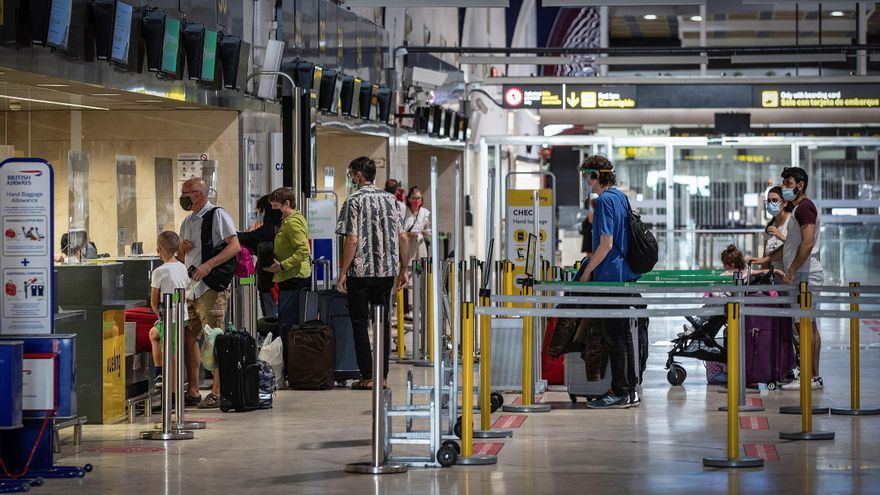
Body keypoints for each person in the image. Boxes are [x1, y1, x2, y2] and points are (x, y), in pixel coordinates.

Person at [337, 157, 409, 390]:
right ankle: (383, 376)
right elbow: (403, 237)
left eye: (351, 175)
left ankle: (368, 376)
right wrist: (404, 268)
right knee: (383, 323)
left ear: (359, 175)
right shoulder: (392, 200)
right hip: (387, 272)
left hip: (360, 272)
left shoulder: (353, 200)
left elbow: (352, 239)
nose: (351, 179)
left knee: (360, 322)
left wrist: (343, 272)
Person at [576, 155, 642, 409]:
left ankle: (621, 391)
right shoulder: (620, 197)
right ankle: (629, 389)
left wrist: (586, 272)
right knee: (623, 335)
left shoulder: (604, 200)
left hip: (609, 276)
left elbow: (606, 244)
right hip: (624, 275)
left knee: (615, 336)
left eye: (587, 176)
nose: (586, 181)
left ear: (596, 176)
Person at [178, 177, 241, 408]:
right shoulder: (187, 221)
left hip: (211, 287)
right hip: (191, 288)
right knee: (189, 336)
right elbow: (182, 257)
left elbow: (234, 246)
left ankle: (218, 390)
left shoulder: (217, 215)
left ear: (199, 194)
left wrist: (209, 265)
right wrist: (180, 249)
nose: (183, 197)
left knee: (214, 337)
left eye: (186, 192)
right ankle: (193, 389)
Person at [263, 187, 312, 378]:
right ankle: (292, 368)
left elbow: (303, 250)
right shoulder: (289, 221)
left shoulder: (292, 223)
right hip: (291, 277)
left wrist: (282, 265)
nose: (273, 209)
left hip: (294, 278)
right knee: (289, 324)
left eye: (276, 205)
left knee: (288, 325)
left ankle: (292, 369)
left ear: (287, 204)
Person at [147, 231, 189, 392]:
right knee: (154, 334)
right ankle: (160, 374)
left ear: (158, 250)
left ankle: (172, 392)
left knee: (171, 352)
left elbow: (154, 301)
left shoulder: (159, 272)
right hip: (182, 315)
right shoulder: (182, 267)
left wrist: (161, 317)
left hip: (170, 318)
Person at [238, 195, 283, 318]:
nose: (258, 215)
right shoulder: (277, 226)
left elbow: (248, 238)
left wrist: (229, 234)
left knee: (272, 316)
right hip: (272, 280)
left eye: (259, 211)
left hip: (271, 280)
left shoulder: (269, 228)